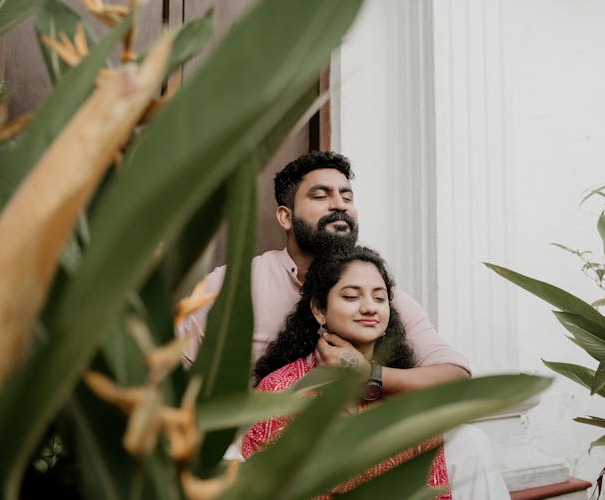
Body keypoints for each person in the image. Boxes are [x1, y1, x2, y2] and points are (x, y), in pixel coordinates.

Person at [176, 150, 509, 499]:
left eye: (346, 196)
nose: (339, 205)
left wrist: (370, 375)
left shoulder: (384, 299)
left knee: (469, 443)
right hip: (266, 443)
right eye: (321, 196)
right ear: (285, 216)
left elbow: (455, 374)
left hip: (363, 435)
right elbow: (171, 376)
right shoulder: (231, 288)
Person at [242, 246, 451, 499]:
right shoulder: (281, 393)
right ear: (319, 310)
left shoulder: (410, 399)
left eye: (379, 298)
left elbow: (435, 492)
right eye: (352, 297)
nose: (369, 308)